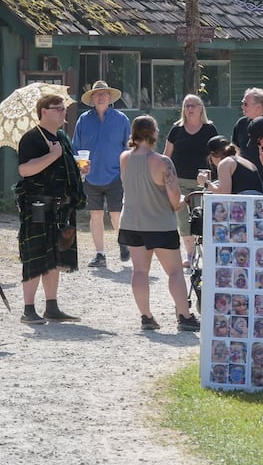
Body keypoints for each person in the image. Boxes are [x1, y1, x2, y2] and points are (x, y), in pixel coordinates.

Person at [118, 115, 200, 332]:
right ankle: (184, 315)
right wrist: (183, 201)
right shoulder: (163, 162)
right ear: (154, 133)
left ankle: (146, 316)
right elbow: (175, 199)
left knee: (140, 271)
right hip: (160, 223)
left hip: (132, 222)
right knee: (174, 271)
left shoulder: (124, 157)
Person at [13, 92, 85, 326]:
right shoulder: (32, 138)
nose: (64, 112)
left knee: (55, 255)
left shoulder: (62, 137)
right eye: (59, 108)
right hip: (38, 204)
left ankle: (51, 307)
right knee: (36, 255)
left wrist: (79, 171)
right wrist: (52, 156)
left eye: (64, 108)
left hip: (61, 206)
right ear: (44, 111)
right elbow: (24, 170)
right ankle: (28, 309)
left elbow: (65, 166)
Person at [72, 79, 131, 267]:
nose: (101, 96)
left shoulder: (121, 119)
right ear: (92, 98)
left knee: (115, 214)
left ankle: (123, 243)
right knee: (95, 215)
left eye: (104, 94)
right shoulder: (83, 120)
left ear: (110, 98)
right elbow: (75, 148)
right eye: (97, 94)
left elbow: (129, 148)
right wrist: (80, 166)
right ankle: (100, 254)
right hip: (91, 176)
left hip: (116, 175)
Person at [164, 94, 218, 256]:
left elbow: (217, 156)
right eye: (187, 106)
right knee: (183, 220)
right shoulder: (176, 129)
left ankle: (205, 253)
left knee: (203, 218)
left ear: (201, 108)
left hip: (203, 182)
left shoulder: (210, 129)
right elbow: (167, 155)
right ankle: (190, 254)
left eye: (193, 105)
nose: (190, 109)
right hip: (179, 181)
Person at [231, 88, 263, 190]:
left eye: (245, 104)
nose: (242, 107)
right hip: (244, 180)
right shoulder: (241, 123)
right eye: (242, 103)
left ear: (258, 107)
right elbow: (235, 150)